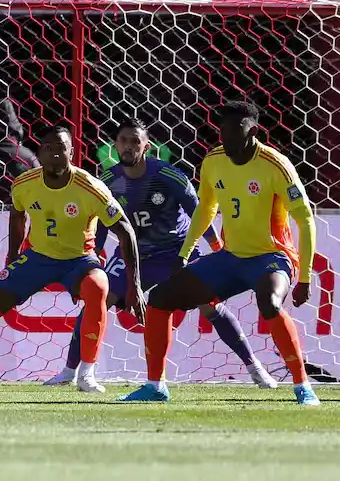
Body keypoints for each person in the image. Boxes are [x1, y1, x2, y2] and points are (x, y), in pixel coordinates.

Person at [44, 118, 277, 388]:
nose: (128, 146)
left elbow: (199, 212)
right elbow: (100, 225)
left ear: (146, 147)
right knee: (97, 302)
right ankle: (70, 372)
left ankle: (255, 368)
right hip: (134, 257)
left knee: (209, 306)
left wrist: (216, 247)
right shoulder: (107, 182)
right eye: (123, 141)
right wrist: (92, 261)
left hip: (175, 254)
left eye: (135, 141)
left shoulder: (168, 176)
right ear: (114, 145)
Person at [119, 101, 319, 405]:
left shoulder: (275, 165)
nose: (225, 136)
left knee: (269, 302)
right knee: (159, 299)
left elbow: (305, 219)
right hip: (230, 257)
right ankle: (155, 386)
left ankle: (303, 386)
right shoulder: (213, 161)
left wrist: (304, 277)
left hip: (271, 257)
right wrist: (184, 253)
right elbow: (206, 208)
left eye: (234, 129)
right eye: (222, 129)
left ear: (253, 131)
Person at [0, 125, 144, 393]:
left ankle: (86, 375)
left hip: (79, 260)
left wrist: (134, 286)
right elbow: (18, 216)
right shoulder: (24, 184)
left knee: (98, 287)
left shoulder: (91, 187)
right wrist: (12, 257)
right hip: (36, 258)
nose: (54, 153)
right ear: (39, 153)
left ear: (72, 152)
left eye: (61, 148)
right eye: (48, 148)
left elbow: (126, 231)